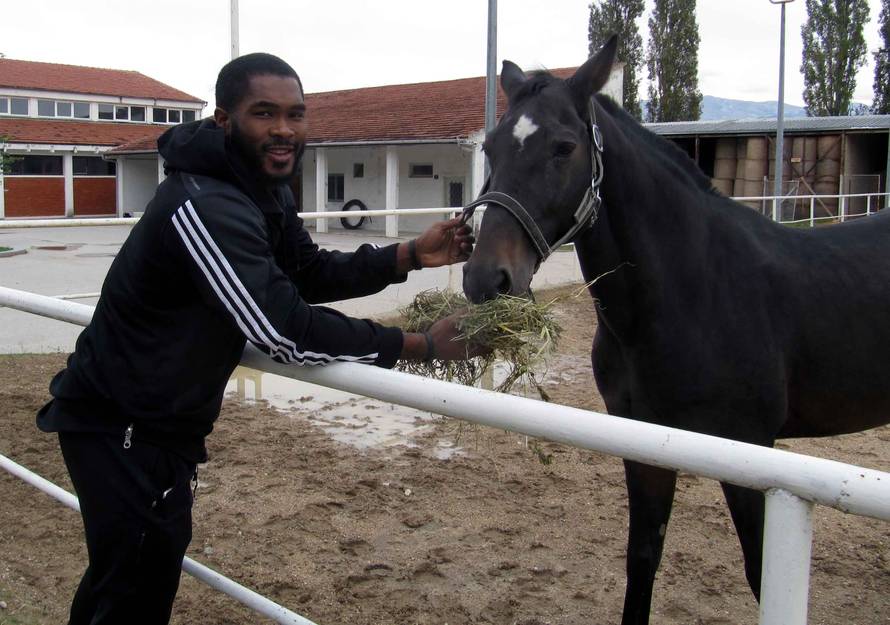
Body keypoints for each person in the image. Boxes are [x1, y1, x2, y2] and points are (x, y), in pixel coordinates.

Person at [37, 53, 481, 625]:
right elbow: (283, 330)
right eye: (264, 113)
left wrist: (408, 255)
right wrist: (419, 344)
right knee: (132, 596)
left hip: (154, 426)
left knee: (120, 585)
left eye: (296, 114)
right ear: (224, 119)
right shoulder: (203, 204)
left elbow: (306, 270)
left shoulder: (262, 188)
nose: (284, 129)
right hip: (123, 428)